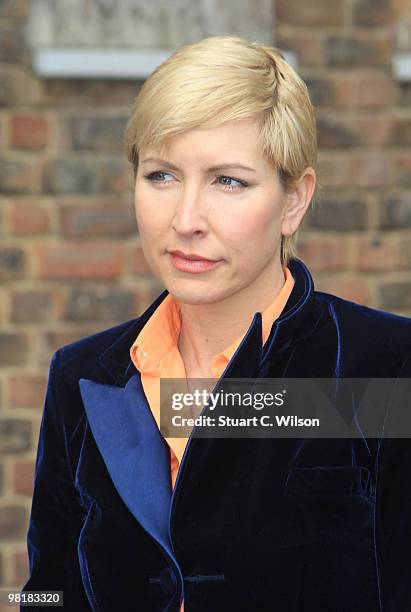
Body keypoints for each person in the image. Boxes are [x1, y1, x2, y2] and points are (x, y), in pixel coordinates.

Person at [21, 35, 411, 611]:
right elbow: (49, 592)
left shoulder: (385, 367)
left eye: (228, 181)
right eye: (160, 175)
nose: (185, 219)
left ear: (294, 201)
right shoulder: (82, 378)